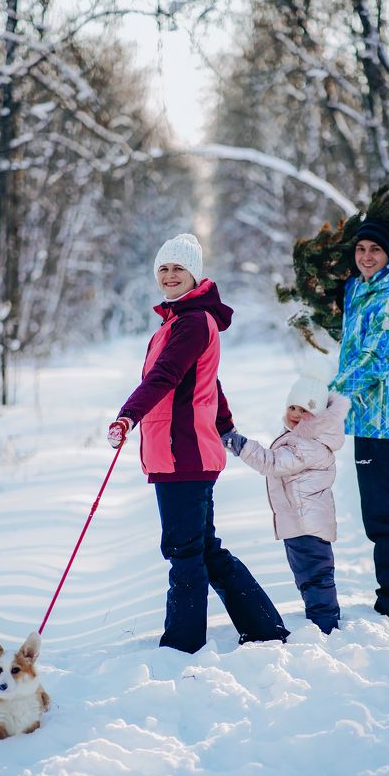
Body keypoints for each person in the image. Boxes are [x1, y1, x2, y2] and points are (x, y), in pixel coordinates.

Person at [107, 233, 289, 654]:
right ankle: (263, 628)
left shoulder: (190, 322)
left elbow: (165, 377)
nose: (170, 276)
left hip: (182, 451)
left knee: (184, 551)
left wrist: (128, 415)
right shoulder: (178, 321)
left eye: (178, 269)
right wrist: (225, 425)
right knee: (203, 549)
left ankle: (182, 645)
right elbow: (208, 381)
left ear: (195, 274)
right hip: (179, 450)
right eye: (164, 269)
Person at [329, 217, 389, 632]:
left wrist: (331, 393)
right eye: (360, 250)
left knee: (384, 518)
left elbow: (377, 358)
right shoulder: (367, 292)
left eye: (375, 250)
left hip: (385, 422)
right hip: (376, 420)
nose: (366, 257)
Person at [222, 374, 349, 635]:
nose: (296, 413)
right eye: (293, 407)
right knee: (308, 576)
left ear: (319, 416)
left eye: (305, 410)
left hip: (307, 524)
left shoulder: (310, 444)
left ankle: (325, 623)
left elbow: (272, 463)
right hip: (299, 521)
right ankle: (322, 616)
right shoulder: (302, 436)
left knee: (315, 576)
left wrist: (240, 444)